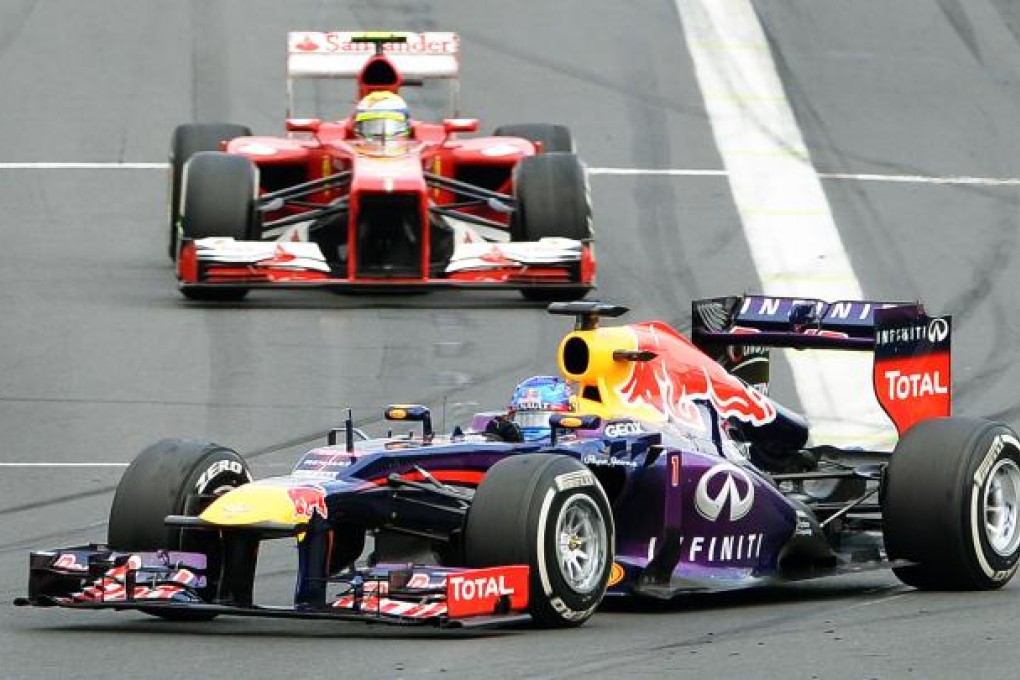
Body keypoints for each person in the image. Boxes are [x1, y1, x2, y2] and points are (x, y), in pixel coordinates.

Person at [485, 375, 574, 442]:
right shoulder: (512, 436)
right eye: (523, 420)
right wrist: (495, 438)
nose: (531, 432)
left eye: (539, 419)